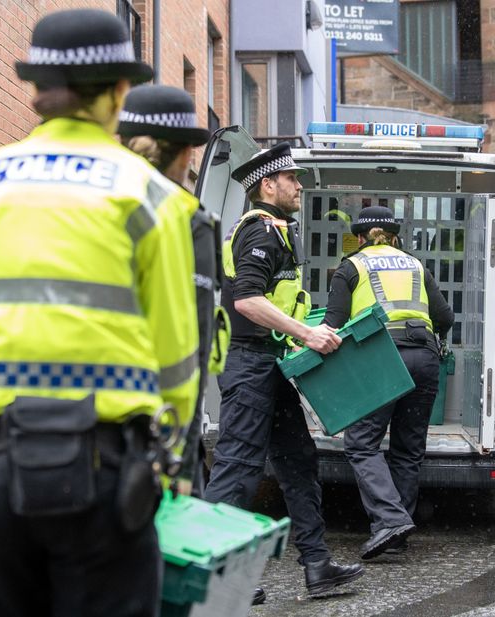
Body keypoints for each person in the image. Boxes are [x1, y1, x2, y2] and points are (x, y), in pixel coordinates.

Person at [0, 10, 199, 617]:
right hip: (100, 473)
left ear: (35, 91)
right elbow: (175, 356)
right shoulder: (149, 197)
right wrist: (172, 454)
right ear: (120, 90)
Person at [203, 143, 364, 600]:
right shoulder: (260, 232)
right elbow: (247, 301)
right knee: (236, 469)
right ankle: (218, 580)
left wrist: (305, 334)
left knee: (298, 463)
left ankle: (317, 566)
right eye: (292, 179)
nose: (300, 186)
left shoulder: (279, 232)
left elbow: (273, 301)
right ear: (268, 185)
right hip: (251, 365)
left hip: (270, 365)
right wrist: (307, 335)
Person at [322, 205, 454, 560]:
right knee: (408, 450)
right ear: (395, 236)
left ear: (360, 237)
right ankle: (397, 532)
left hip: (382, 357)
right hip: (425, 357)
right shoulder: (415, 264)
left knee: (362, 443)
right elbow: (445, 316)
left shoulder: (351, 266)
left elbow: (332, 324)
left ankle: (389, 520)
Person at [118, 84, 223, 497]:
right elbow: (192, 344)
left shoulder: (90, 202)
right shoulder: (184, 214)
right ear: (183, 154)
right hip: (156, 424)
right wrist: (179, 453)